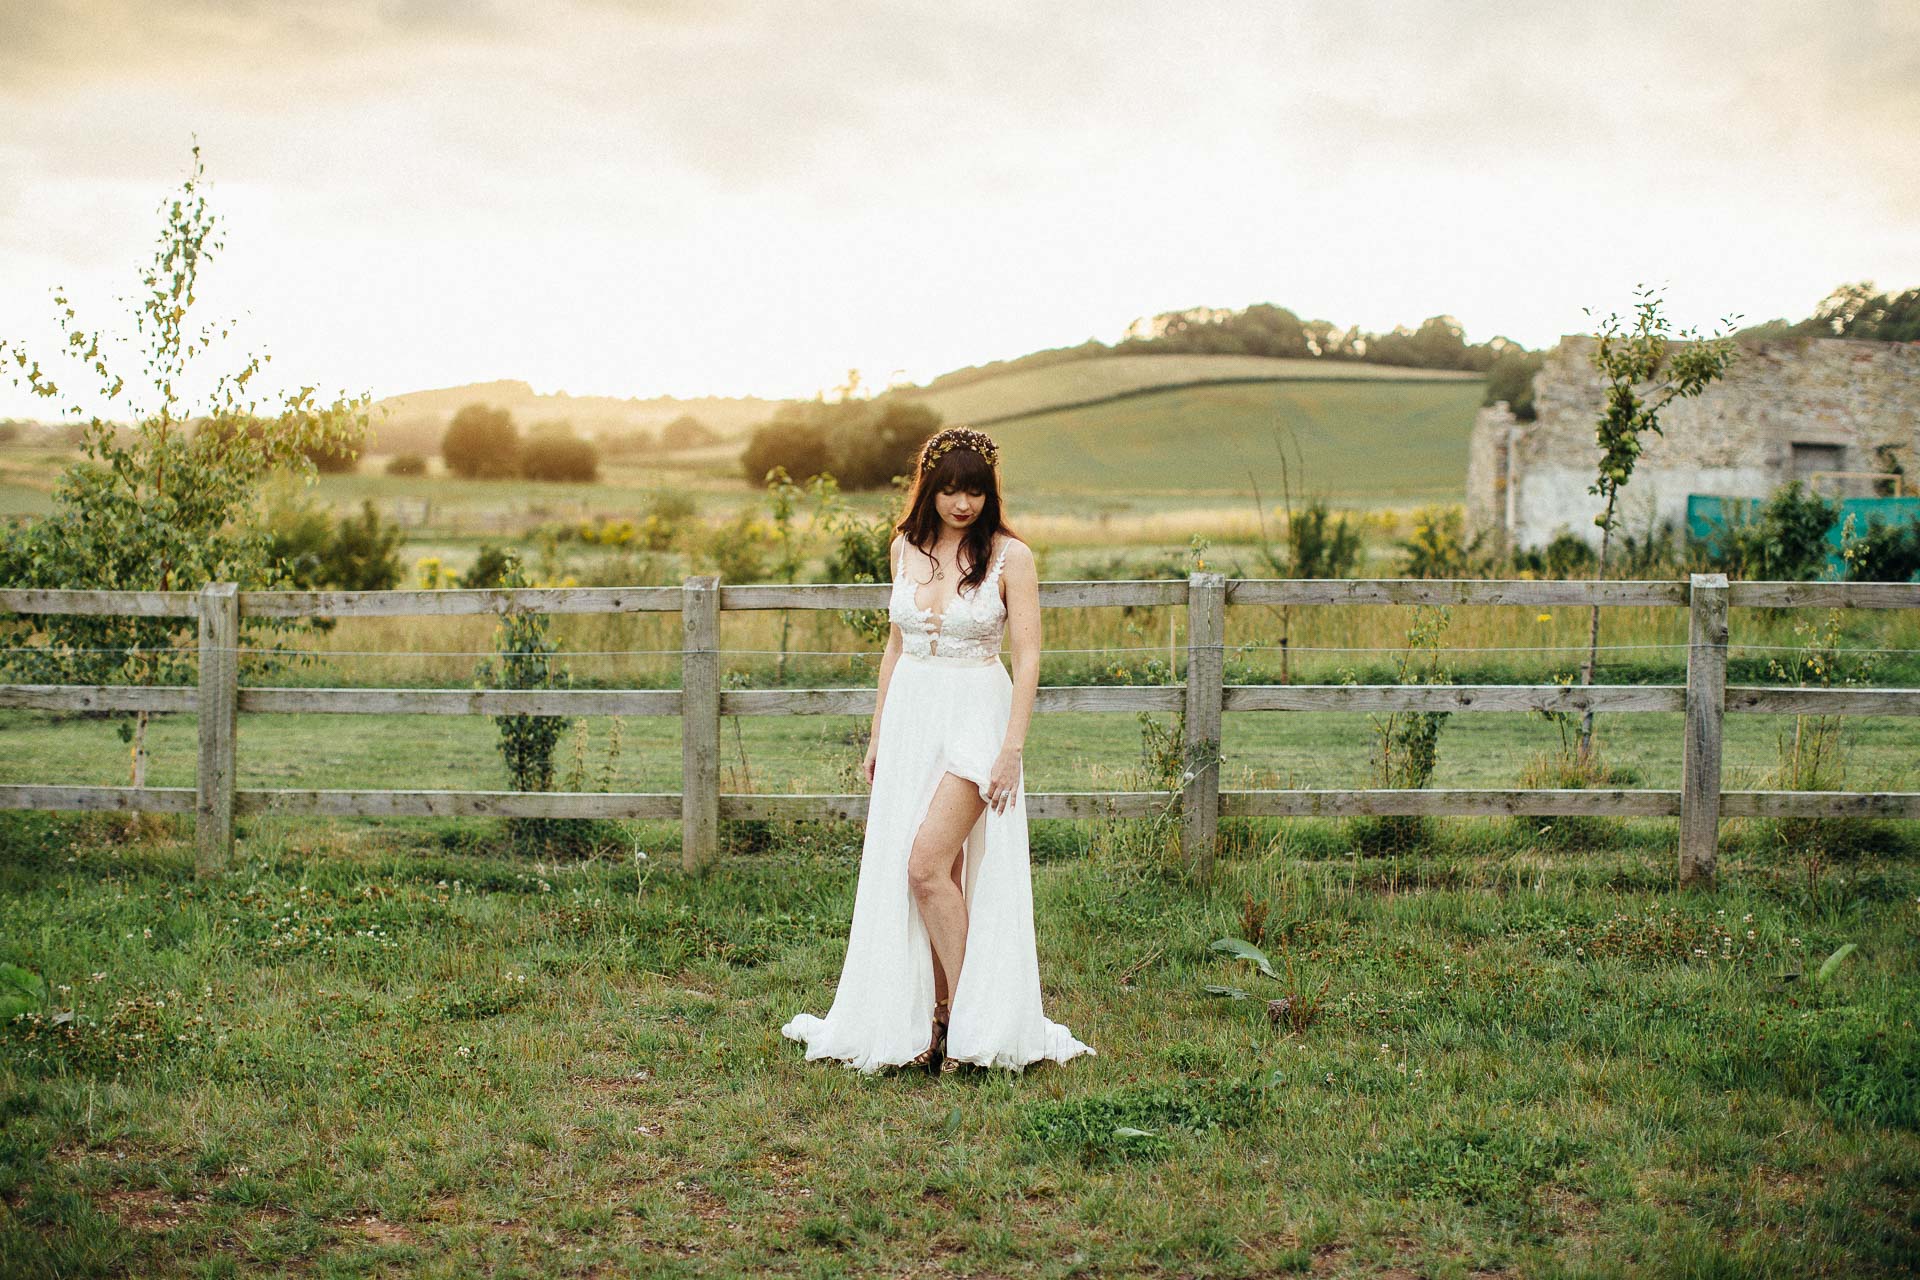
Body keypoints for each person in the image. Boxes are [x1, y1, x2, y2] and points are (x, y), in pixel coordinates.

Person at [781, 426, 1097, 1076]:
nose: (962, 504)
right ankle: (936, 1018)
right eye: (950, 490)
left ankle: (967, 1022)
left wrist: (1012, 748)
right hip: (911, 720)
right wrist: (878, 734)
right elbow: (895, 646)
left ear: (989, 494)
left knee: (925, 867)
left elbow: (1028, 655)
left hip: (977, 719)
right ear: (930, 488)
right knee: (937, 876)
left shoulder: (1011, 557)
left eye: (974, 491)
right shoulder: (904, 548)